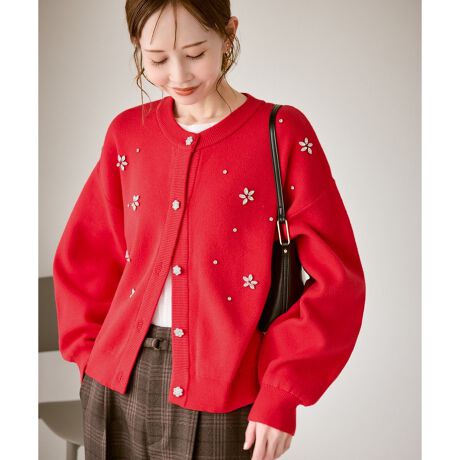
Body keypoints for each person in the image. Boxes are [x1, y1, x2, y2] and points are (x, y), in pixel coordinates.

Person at [52, 0, 366, 459]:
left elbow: (338, 281)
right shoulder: (127, 134)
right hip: (115, 384)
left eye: (195, 53)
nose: (178, 74)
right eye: (157, 59)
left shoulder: (281, 133)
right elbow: (87, 255)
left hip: (226, 389)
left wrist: (282, 392)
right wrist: (88, 358)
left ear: (228, 32)